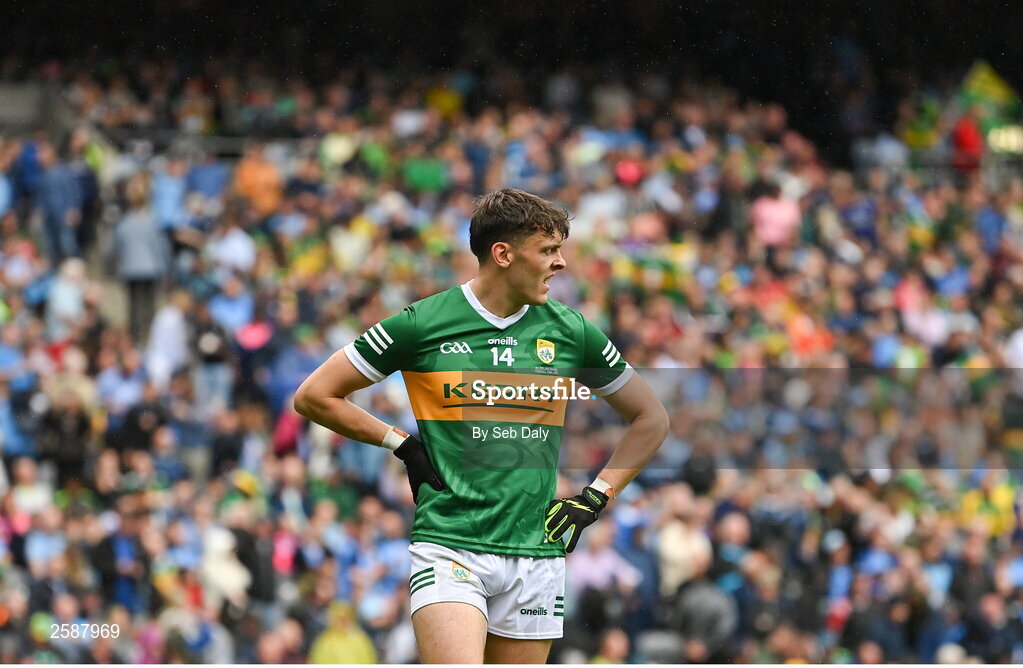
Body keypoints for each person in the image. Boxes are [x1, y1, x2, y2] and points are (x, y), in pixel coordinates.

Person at [295, 188, 669, 663]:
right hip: (451, 545)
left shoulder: (570, 330)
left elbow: (651, 417)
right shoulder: (421, 323)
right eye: (549, 250)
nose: (562, 264)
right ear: (503, 254)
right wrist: (401, 443)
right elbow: (314, 395)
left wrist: (597, 497)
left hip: (536, 552)